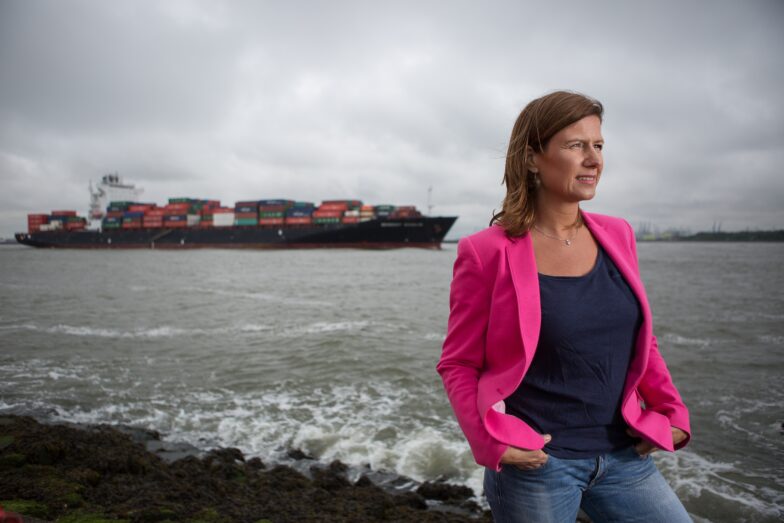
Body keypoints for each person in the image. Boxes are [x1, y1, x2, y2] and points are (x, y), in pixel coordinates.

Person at [436, 91, 692, 522]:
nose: (593, 159)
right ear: (533, 158)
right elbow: (458, 363)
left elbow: (641, 341)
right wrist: (489, 441)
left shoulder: (619, 234)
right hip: (538, 465)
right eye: (576, 146)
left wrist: (673, 412)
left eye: (599, 145)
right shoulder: (485, 252)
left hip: (625, 458)